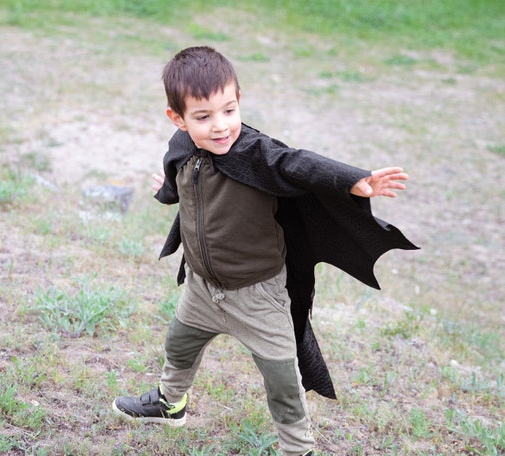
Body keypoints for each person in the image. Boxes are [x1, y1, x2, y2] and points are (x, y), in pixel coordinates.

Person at [112, 46, 418, 456]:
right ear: (178, 119)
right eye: (203, 117)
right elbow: (178, 179)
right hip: (202, 288)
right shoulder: (182, 147)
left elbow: (298, 163)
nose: (220, 126)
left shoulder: (256, 154)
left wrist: (352, 181)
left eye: (229, 110)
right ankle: (171, 403)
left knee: (282, 380)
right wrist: (165, 193)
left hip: (259, 295)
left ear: (239, 101)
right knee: (178, 345)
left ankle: (299, 448)